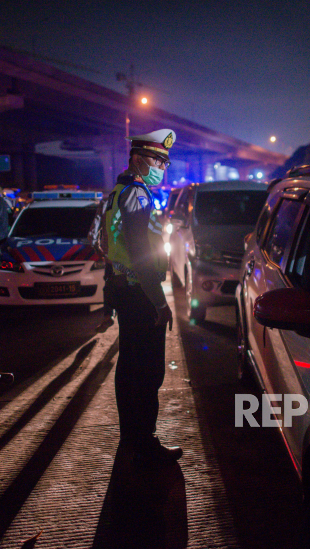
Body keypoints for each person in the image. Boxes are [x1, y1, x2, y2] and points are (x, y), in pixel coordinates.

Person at [104, 128, 181, 465]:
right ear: (137, 158)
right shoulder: (137, 194)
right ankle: (144, 441)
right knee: (148, 371)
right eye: (156, 159)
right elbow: (140, 254)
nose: (161, 167)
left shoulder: (117, 192)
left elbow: (106, 246)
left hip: (126, 290)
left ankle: (131, 440)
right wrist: (160, 303)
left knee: (130, 367)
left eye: (165, 162)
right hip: (140, 294)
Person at [88, 194, 115, 332]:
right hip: (132, 257)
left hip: (111, 256)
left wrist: (97, 249)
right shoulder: (138, 198)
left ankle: (108, 316)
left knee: (109, 287)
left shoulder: (106, 202)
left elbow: (93, 231)